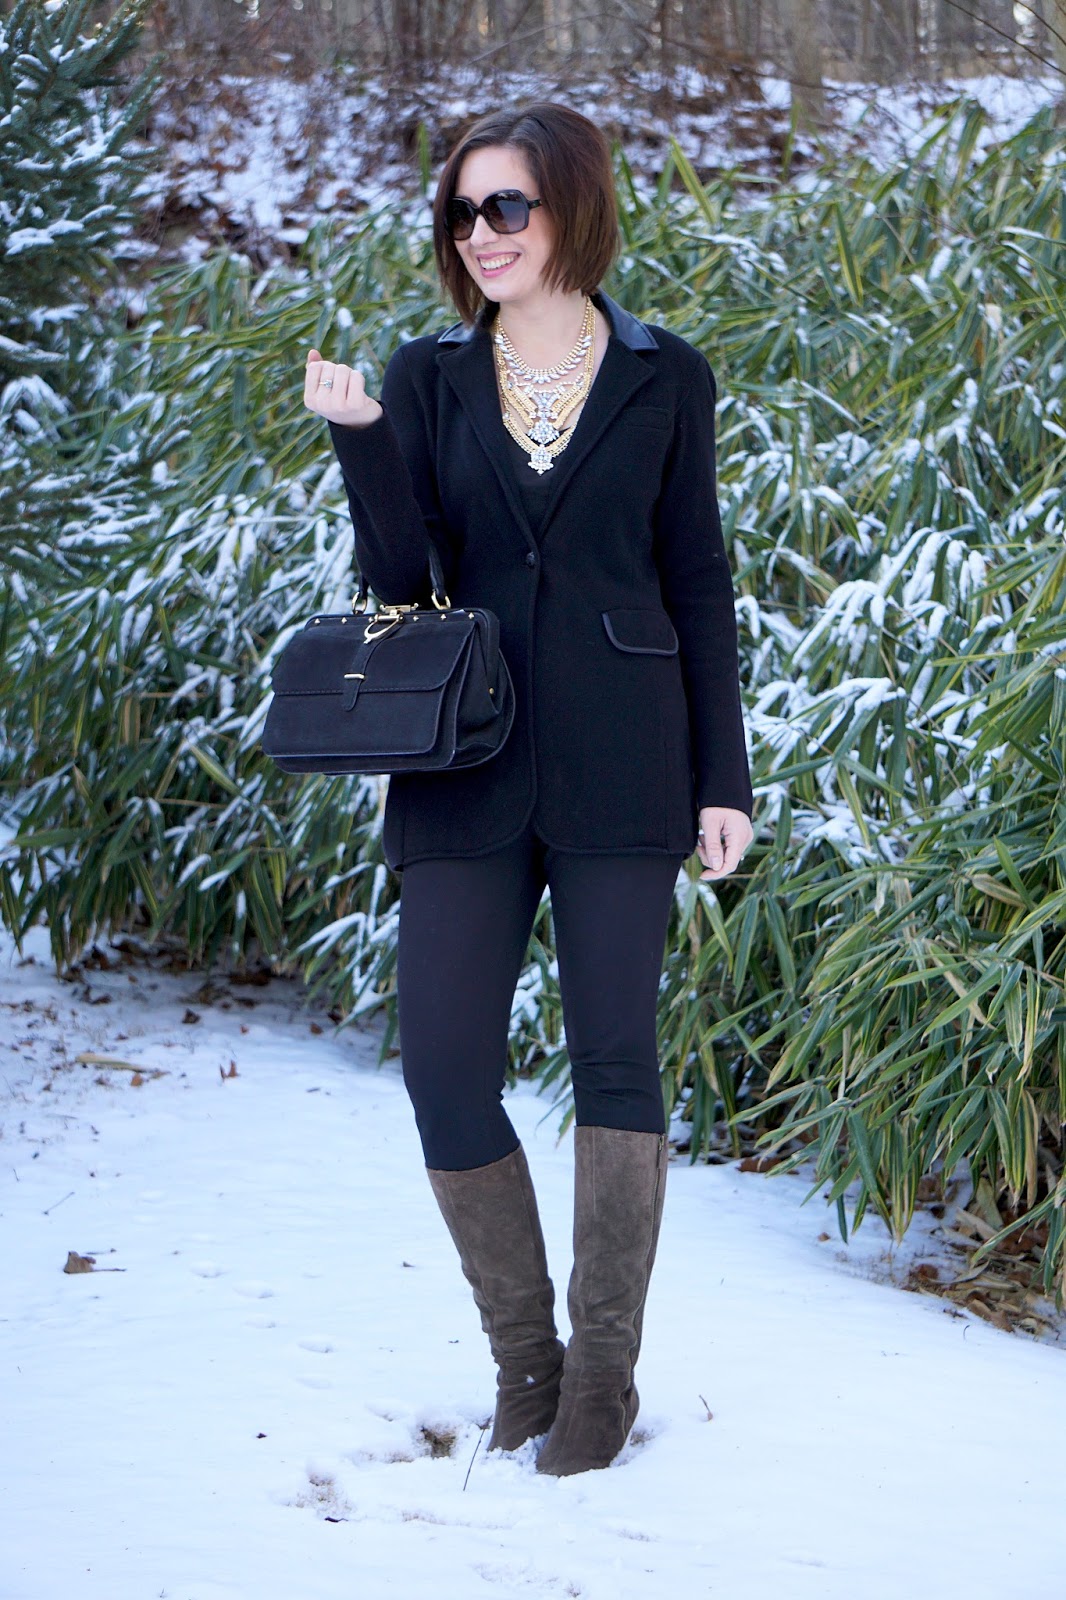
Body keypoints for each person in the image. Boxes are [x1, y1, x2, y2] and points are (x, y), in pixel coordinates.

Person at [302, 102, 754, 1477]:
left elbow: (697, 577)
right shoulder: (428, 373)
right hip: (467, 760)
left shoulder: (665, 374)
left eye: (505, 206)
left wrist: (723, 779)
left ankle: (601, 1384)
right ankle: (527, 1365)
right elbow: (403, 580)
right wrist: (365, 437)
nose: (479, 234)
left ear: (572, 206)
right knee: (443, 1069)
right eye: (461, 212)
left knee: (616, 1057)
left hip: (629, 755)